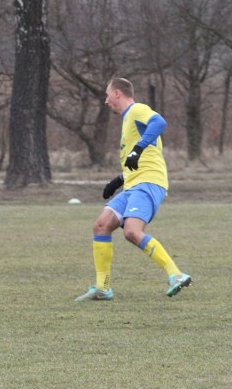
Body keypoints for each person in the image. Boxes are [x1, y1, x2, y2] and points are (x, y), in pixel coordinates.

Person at [76, 77, 191, 302]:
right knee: (101, 226)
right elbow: (138, 159)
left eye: (107, 94)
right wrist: (118, 180)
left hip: (148, 183)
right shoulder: (128, 120)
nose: (106, 100)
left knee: (131, 231)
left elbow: (159, 123)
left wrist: (137, 148)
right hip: (132, 184)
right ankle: (103, 287)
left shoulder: (137, 109)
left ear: (117, 93)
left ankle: (176, 275)